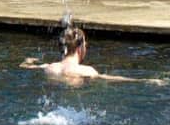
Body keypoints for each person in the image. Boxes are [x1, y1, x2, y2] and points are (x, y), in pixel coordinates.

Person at [23, 25, 154, 83]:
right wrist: (145, 80)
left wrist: (28, 60)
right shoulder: (87, 71)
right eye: (85, 44)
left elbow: (24, 67)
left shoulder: (49, 67)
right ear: (80, 48)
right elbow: (111, 78)